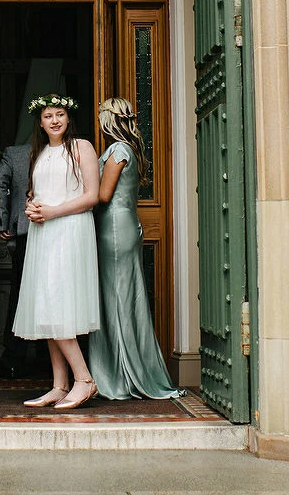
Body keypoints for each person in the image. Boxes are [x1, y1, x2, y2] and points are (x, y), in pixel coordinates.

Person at [89, 97, 182, 400]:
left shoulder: (117, 150)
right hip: (123, 225)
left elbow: (103, 195)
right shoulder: (128, 149)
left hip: (114, 228)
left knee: (117, 298)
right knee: (121, 297)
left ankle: (120, 375)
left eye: (102, 115)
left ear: (109, 119)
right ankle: (119, 369)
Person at [12, 94, 101, 410]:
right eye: (48, 116)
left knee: (58, 302)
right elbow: (38, 193)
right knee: (47, 304)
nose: (54, 120)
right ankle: (59, 385)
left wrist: (53, 212)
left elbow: (92, 196)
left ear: (68, 117)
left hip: (69, 232)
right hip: (44, 233)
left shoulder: (81, 147)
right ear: (40, 121)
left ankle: (85, 380)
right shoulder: (39, 153)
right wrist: (32, 207)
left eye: (60, 114)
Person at [0, 141, 34, 378]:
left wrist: (3, 221)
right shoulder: (71, 149)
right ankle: (52, 360)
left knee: (20, 296)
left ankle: (13, 359)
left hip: (25, 231)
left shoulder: (16, 154)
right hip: (47, 231)